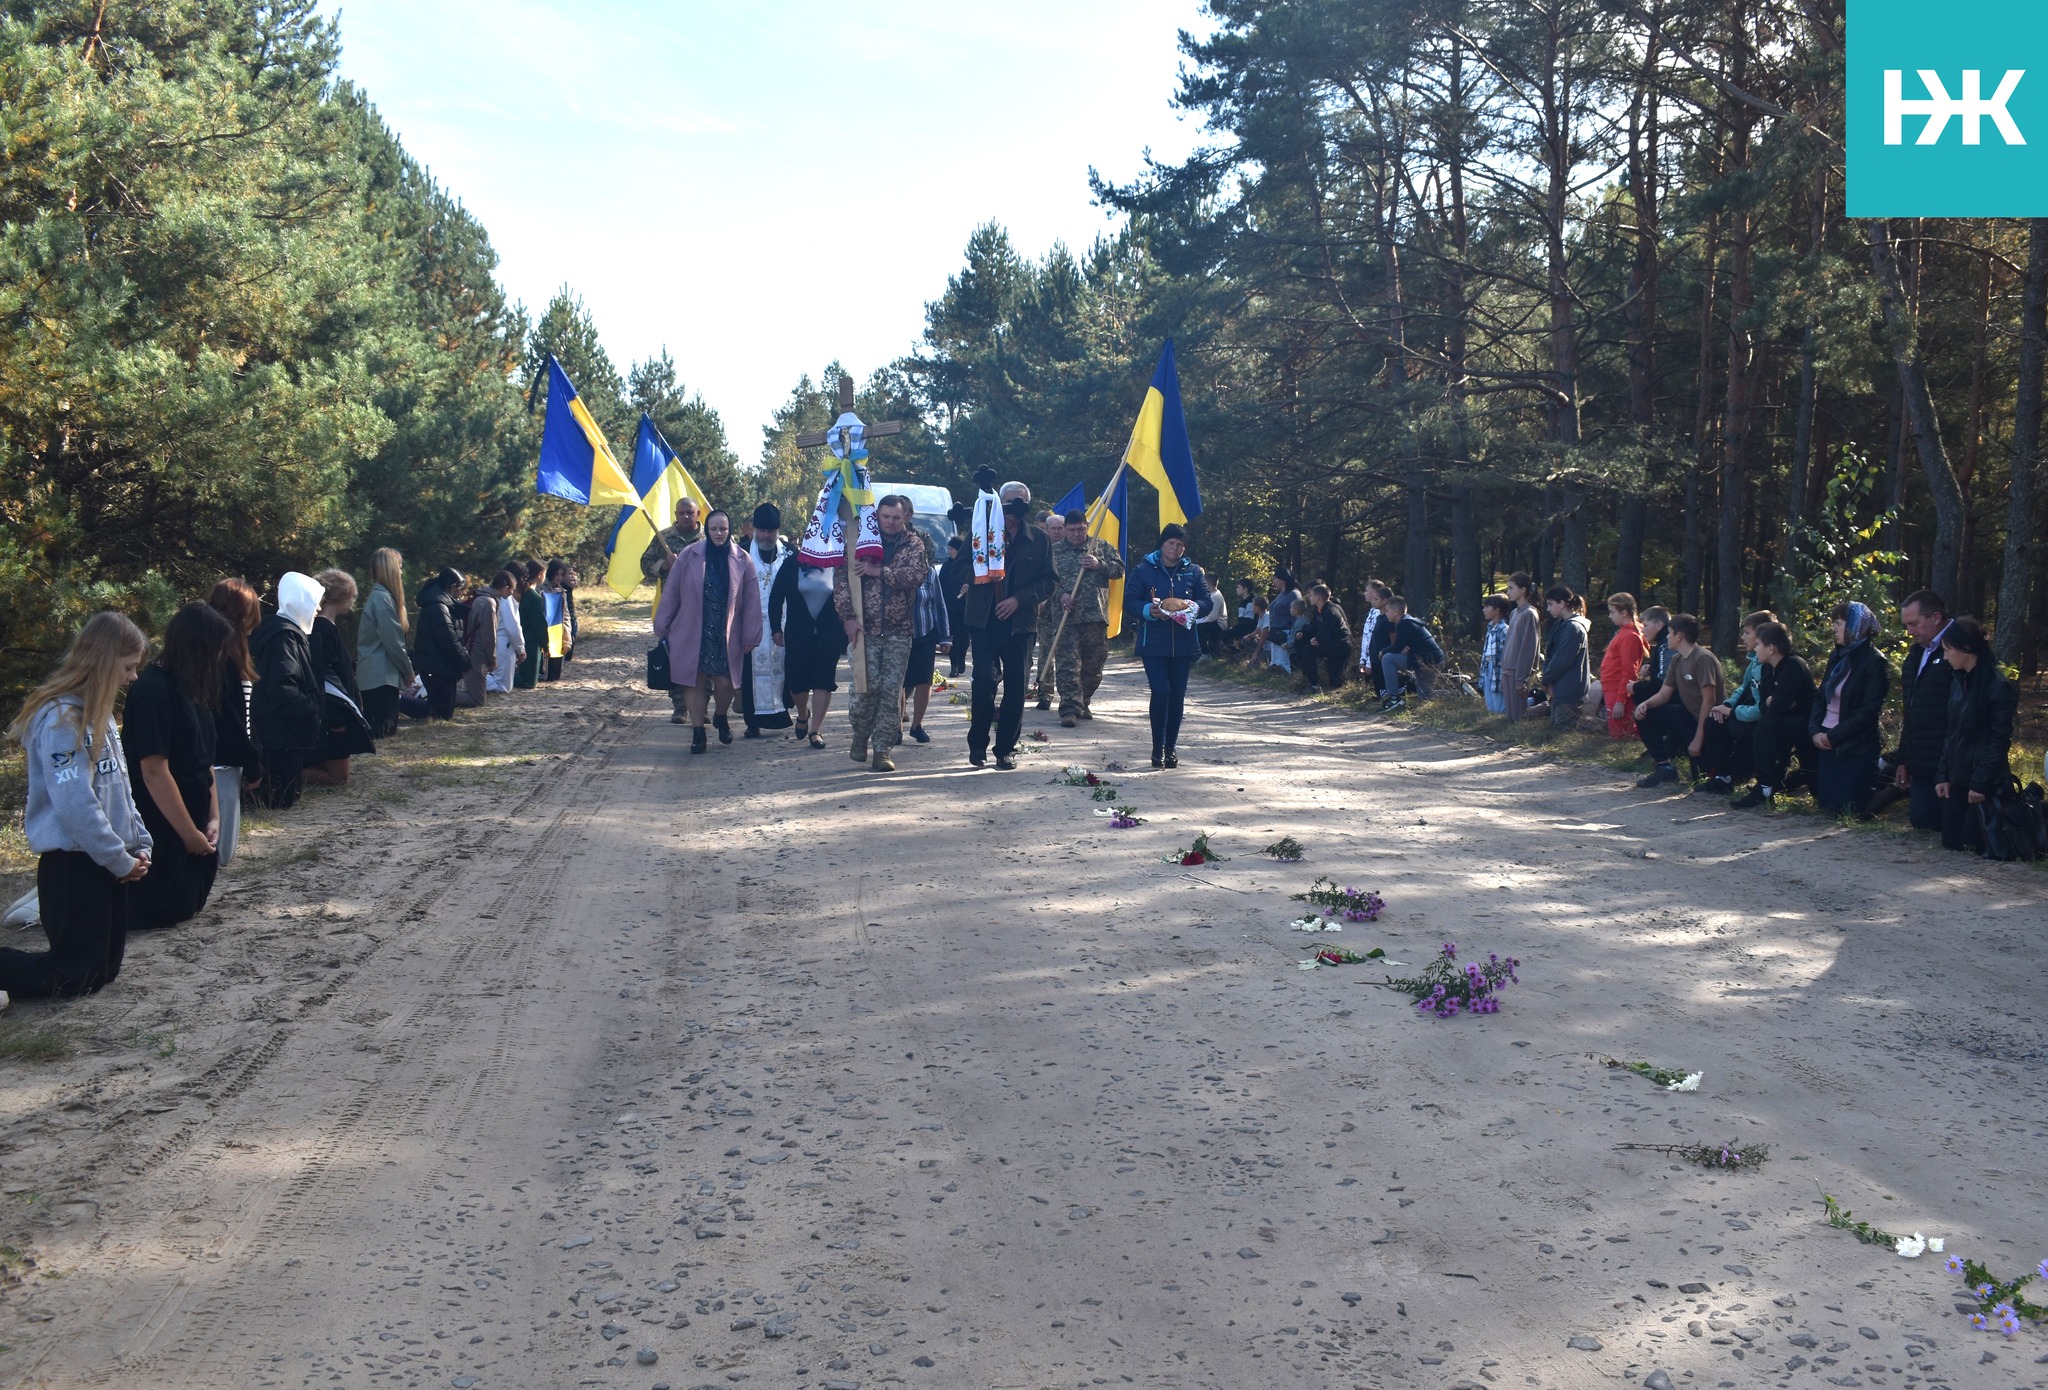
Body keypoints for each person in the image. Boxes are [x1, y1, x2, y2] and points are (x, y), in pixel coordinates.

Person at [0, 612, 151, 999]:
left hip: (106, 862)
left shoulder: (101, 717)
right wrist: (117, 858)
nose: (133, 677)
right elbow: (76, 805)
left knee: (103, 972)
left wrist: (138, 842)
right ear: (104, 660)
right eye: (129, 667)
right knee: (75, 976)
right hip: (74, 865)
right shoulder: (60, 719)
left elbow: (120, 789)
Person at [125, 602, 233, 929]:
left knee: (188, 904)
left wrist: (213, 817)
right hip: (163, 819)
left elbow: (206, 760)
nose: (218, 659)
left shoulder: (194, 688)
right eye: (214, 650)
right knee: (163, 910)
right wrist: (188, 834)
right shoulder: (154, 691)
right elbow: (154, 771)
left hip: (196, 815)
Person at [655, 509, 763, 754]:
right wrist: (662, 624)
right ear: (706, 530)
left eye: (723, 529)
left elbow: (752, 600)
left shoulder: (742, 559)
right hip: (692, 629)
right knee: (694, 681)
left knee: (727, 684)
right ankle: (698, 733)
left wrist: (751, 634)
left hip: (726, 633)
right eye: (713, 529)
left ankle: (721, 716)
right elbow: (671, 592)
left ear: (729, 530)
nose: (718, 533)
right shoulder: (688, 555)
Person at [964, 481, 1055, 770]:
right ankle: (977, 746)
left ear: (1027, 505)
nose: (1013, 508)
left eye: (1020, 502)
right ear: (998, 503)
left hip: (1021, 625)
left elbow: (1050, 581)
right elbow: (956, 568)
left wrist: (1019, 600)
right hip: (985, 622)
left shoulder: (1039, 539)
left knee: (1016, 689)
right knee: (984, 683)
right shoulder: (981, 532)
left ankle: (1005, 750)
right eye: (1008, 502)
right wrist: (982, 572)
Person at [836, 494, 930, 772]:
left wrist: (881, 572)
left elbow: (916, 576)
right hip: (864, 630)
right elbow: (842, 581)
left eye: (896, 517)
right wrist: (847, 619)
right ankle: (860, 733)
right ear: (877, 516)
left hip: (898, 631)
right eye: (885, 516)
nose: (890, 522)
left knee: (891, 693)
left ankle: (882, 749)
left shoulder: (913, 543)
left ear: (905, 518)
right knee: (864, 690)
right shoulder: (859, 540)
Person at [1127, 523, 1215, 768]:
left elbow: (1206, 602)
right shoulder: (1144, 570)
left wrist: (1191, 606)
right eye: (1170, 543)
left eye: (1179, 545)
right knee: (1161, 691)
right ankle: (1157, 747)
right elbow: (1130, 601)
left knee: (1177, 696)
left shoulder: (1194, 571)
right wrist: (1149, 610)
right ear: (1162, 544)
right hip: (1153, 644)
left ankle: (1171, 748)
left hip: (1184, 645)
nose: (1174, 548)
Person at [1934, 617, 2018, 852]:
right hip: (1958, 777)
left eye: (1948, 650)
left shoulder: (1998, 687)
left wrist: (1980, 784)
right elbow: (1951, 732)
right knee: (1951, 841)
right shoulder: (1957, 682)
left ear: (1966, 649)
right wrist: (1943, 775)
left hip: (1985, 781)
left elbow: (1998, 741)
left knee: (1974, 843)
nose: (1945, 657)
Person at [1807, 601, 1891, 814]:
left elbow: (1868, 710)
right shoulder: (1837, 655)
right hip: (1827, 741)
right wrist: (1815, 730)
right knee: (1827, 806)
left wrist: (1835, 736)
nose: (1833, 628)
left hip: (1854, 745)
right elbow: (1820, 695)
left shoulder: (1875, 662)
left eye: (1838, 623)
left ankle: (1895, 789)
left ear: (1855, 625)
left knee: (1851, 809)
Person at [250, 573, 325, 808]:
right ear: (301, 602)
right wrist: (311, 709)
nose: (319, 608)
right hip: (281, 734)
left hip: (281, 734)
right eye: (314, 602)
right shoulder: (285, 638)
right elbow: (283, 686)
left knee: (286, 796)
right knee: (280, 799)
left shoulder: (283, 633)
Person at [1883, 589, 1956, 831]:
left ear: (1935, 617)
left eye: (1914, 624)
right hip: (1923, 762)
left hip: (1955, 763)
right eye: (1907, 626)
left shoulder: (1961, 647)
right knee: (1923, 822)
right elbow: (1912, 712)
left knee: (1954, 830)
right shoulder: (1916, 653)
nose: (1910, 632)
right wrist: (1904, 760)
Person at [770, 534, 849, 748]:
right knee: (797, 682)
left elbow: (849, 596)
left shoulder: (838, 565)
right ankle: (803, 714)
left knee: (824, 679)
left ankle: (816, 730)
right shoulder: (791, 565)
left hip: (829, 633)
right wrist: (776, 628)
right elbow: (776, 597)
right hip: (798, 632)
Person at [1050, 508, 1126, 725]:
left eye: (1081, 529)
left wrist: (1098, 564)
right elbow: (1045, 580)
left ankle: (1083, 701)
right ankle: (1069, 708)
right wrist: (1061, 595)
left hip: (1094, 616)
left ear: (1087, 527)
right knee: (1067, 663)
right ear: (1065, 529)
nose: (1076, 534)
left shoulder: (1100, 547)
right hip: (1066, 617)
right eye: (1072, 530)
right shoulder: (1054, 551)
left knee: (1094, 663)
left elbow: (1119, 570)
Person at [1733, 622, 1816, 810]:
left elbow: (1777, 707)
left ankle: (1767, 787)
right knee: (1766, 723)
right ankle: (1765, 788)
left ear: (1771, 648)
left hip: (1807, 728)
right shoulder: (1767, 668)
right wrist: (1774, 702)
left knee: (1768, 724)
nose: (1755, 648)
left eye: (1759, 644)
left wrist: (1775, 702)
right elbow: (1764, 705)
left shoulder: (1794, 665)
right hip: (1784, 723)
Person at [1633, 613, 1721, 789]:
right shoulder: (1676, 659)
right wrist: (1645, 705)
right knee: (1644, 714)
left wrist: (1698, 738)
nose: (1667, 636)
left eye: (1670, 632)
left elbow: (1709, 700)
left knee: (1701, 779)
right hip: (1687, 716)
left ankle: (1716, 771)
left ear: (1679, 636)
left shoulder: (1703, 658)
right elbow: (1664, 694)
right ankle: (1664, 767)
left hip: (1709, 723)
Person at [306, 568, 376, 783]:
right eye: (352, 596)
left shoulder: (326, 627)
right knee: (337, 777)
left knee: (339, 774)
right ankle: (276, 773)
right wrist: (335, 715)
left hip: (337, 707)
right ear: (341, 596)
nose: (354, 602)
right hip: (332, 709)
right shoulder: (322, 629)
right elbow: (324, 677)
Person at [1696, 609, 1775, 794]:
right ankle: (1722, 776)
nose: (1743, 637)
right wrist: (1727, 705)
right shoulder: (1754, 661)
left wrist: (1732, 712)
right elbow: (1743, 688)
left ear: (1761, 634)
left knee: (1739, 729)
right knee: (1714, 722)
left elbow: (1761, 707)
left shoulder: (1770, 665)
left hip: (1758, 721)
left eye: (1747, 632)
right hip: (1744, 713)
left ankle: (1741, 774)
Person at [739, 503, 794, 738]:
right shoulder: (741, 553)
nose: (766, 535)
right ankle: (752, 722)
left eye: (771, 531)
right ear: (753, 529)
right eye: (761, 530)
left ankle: (787, 713)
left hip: (784, 623)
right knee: (751, 674)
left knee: (787, 670)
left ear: (777, 530)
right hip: (753, 624)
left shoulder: (791, 554)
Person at [207, 579, 263, 805]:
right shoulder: (221, 658)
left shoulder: (231, 655)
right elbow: (230, 719)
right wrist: (252, 761)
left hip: (231, 763)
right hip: (223, 764)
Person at [357, 548, 413, 739]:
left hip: (377, 676)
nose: (401, 572)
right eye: (399, 567)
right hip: (380, 677)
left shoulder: (379, 598)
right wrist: (408, 671)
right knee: (383, 734)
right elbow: (394, 643)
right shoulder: (382, 599)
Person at [904, 542, 952, 744]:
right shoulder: (896, 570)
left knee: (924, 680)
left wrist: (945, 636)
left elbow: (939, 604)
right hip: (900, 634)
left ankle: (917, 725)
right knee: (901, 683)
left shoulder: (930, 573)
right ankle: (896, 726)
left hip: (925, 632)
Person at [410, 567, 471, 722]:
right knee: (438, 713)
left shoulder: (441, 604)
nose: (461, 592)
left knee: (442, 713)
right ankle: (399, 702)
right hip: (437, 667)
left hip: (439, 665)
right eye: (459, 588)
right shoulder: (438, 606)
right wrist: (465, 662)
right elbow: (449, 640)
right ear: (451, 586)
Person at [1377, 595, 1446, 711]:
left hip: (1428, 660)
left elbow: (1397, 647)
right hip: (1427, 659)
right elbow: (1407, 643)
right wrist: (1407, 647)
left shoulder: (1406, 624)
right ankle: (1459, 693)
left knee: (1388, 658)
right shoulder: (1406, 622)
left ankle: (1394, 698)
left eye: (1387, 611)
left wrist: (1383, 652)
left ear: (1396, 612)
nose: (1385, 614)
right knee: (1425, 697)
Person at [1536, 586, 1591, 729]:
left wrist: (1546, 679)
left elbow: (1562, 660)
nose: (1548, 609)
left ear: (1562, 603)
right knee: (1555, 728)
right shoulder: (1561, 625)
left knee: (1563, 730)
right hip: (1559, 688)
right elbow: (1551, 656)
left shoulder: (1574, 628)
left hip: (1569, 690)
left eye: (1550, 604)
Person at [1599, 593, 1648, 737]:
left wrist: (1620, 700)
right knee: (1617, 732)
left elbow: (1629, 671)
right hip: (1611, 687)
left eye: (1612, 612)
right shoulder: (1625, 632)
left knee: (1621, 733)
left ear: (1624, 613)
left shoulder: (1630, 636)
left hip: (1617, 689)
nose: (1610, 616)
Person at [1500, 573, 1544, 722]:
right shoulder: (1514, 613)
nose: (1508, 592)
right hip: (1508, 668)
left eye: (1511, 588)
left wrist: (1522, 677)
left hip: (1518, 671)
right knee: (1510, 716)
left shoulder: (1530, 613)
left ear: (1523, 590)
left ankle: (1520, 741)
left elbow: (1529, 648)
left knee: (1519, 715)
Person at [1297, 583, 1352, 693]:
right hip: (1335, 644)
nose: (1309, 597)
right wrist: (1303, 632)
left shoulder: (1330, 611)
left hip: (1341, 645)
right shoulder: (1320, 610)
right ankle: (1332, 687)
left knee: (1309, 650)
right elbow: (1316, 627)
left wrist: (1317, 640)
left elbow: (1326, 632)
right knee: (1335, 681)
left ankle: (1314, 686)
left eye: (1311, 595)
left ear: (1318, 597)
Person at [455, 574, 499, 709]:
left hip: (470, 648)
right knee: (478, 699)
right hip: (478, 652)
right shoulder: (488, 603)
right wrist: (492, 659)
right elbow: (488, 635)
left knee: (476, 693)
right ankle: (441, 694)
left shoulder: (479, 599)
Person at [641, 496, 702, 584]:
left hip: (701, 595)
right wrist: (664, 565)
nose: (686, 516)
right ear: (676, 514)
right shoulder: (663, 537)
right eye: (681, 513)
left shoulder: (708, 537)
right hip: (672, 595)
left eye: (690, 513)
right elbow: (645, 565)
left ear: (698, 513)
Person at [487, 569, 523, 694]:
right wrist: (520, 648)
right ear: (507, 588)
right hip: (504, 642)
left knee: (500, 679)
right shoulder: (506, 601)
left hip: (499, 641)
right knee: (503, 685)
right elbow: (513, 627)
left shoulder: (495, 598)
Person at [940, 536, 971, 677]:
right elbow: (941, 585)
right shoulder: (946, 566)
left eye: (951, 549)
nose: (949, 552)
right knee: (952, 637)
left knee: (964, 637)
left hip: (965, 607)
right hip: (950, 607)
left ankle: (962, 658)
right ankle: (954, 665)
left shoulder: (967, 565)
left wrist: (967, 588)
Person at [541, 560, 576, 681]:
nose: (559, 578)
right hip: (544, 631)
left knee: (555, 674)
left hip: (557, 632)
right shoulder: (541, 589)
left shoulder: (562, 592)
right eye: (557, 574)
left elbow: (565, 615)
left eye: (562, 575)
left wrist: (568, 635)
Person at [515, 561, 547, 690]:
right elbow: (539, 624)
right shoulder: (533, 597)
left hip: (527, 640)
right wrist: (546, 644)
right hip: (531, 641)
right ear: (540, 574)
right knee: (529, 681)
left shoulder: (526, 593)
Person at [1355, 581, 1391, 693]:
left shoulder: (1381, 614)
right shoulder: (1372, 612)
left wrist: (1370, 663)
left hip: (1376, 659)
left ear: (1375, 592)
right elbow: (1366, 638)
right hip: (1370, 659)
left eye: (1367, 590)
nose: (1364, 593)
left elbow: (1375, 640)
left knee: (1380, 688)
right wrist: (1363, 659)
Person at [1478, 595, 1512, 715]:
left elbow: (1507, 654)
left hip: (1498, 669)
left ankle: (1532, 702)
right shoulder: (1490, 628)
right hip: (1488, 668)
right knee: (1490, 707)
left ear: (1497, 610)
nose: (1484, 610)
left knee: (1500, 707)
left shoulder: (1504, 629)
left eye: (1487, 607)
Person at [1266, 571, 1299, 673]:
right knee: (1275, 663)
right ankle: (1275, 677)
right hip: (1276, 633)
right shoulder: (1282, 594)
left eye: (1275, 579)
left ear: (1283, 580)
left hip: (1285, 632)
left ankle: (1286, 680)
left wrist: (1292, 635)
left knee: (1284, 664)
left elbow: (1297, 615)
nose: (1274, 581)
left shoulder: (1294, 594)